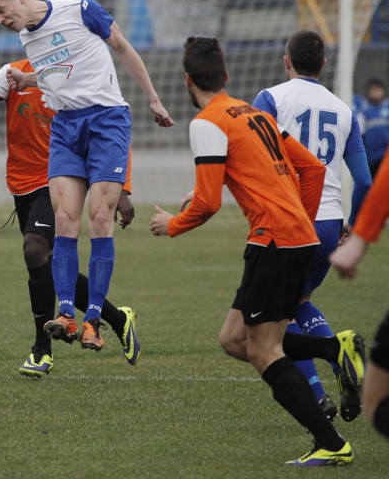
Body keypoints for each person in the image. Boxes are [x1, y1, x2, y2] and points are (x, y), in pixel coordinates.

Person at [149, 36, 363, 466]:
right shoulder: (254, 113)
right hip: (294, 237)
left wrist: (171, 224)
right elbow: (313, 168)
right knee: (234, 340)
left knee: (264, 351)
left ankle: (331, 443)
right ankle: (332, 350)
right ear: (226, 76)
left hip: (276, 241)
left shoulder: (207, 122)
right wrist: (299, 220)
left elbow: (208, 203)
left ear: (187, 80)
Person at [0, 0, 172, 352]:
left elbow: (122, 48)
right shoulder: (27, 37)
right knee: (64, 220)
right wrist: (29, 81)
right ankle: (66, 314)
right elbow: (60, 73)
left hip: (106, 120)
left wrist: (153, 99)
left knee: (99, 219)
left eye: (0, 10)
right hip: (65, 125)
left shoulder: (81, 9)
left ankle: (94, 320)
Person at [0, 58, 140, 376]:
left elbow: (114, 126)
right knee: (53, 265)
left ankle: (42, 350)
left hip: (60, 179)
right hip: (20, 186)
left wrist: (123, 187)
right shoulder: (13, 73)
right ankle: (118, 318)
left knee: (34, 249)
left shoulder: (79, 73)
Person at [251, 29, 371, 422]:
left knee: (275, 320)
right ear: (323, 63)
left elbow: (252, 156)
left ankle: (318, 397)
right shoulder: (344, 110)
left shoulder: (270, 99)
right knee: (298, 302)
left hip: (290, 220)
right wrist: (353, 224)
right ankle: (340, 359)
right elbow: (364, 180)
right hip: (329, 222)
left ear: (286, 61)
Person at [330, 148, 389, 441]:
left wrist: (359, 239)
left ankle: (334, 353)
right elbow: (365, 178)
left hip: (304, 224)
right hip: (329, 221)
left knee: (376, 400)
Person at [353, 77, 389, 177]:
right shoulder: (364, 111)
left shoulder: (387, 107)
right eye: (373, 90)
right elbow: (361, 134)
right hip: (372, 157)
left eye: (377, 89)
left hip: (386, 156)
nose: (375, 92)